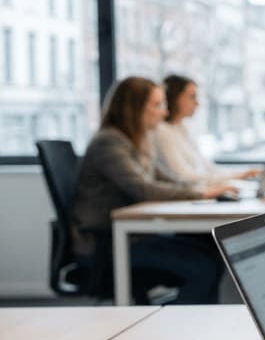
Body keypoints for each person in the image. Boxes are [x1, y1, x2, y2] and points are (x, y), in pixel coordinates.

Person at [73, 76, 236, 304]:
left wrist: (207, 189)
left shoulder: (139, 140)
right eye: (157, 105)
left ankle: (190, 326)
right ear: (135, 108)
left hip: (135, 236)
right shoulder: (109, 143)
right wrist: (200, 194)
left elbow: (165, 179)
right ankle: (175, 330)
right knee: (203, 268)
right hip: (109, 243)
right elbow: (144, 189)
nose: (163, 112)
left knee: (213, 255)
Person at [153, 74, 259, 186]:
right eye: (192, 97)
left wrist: (240, 175)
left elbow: (207, 167)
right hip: (192, 190)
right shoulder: (162, 131)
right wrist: (234, 177)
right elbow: (183, 176)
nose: (197, 103)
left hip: (201, 187)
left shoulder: (181, 128)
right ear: (175, 98)